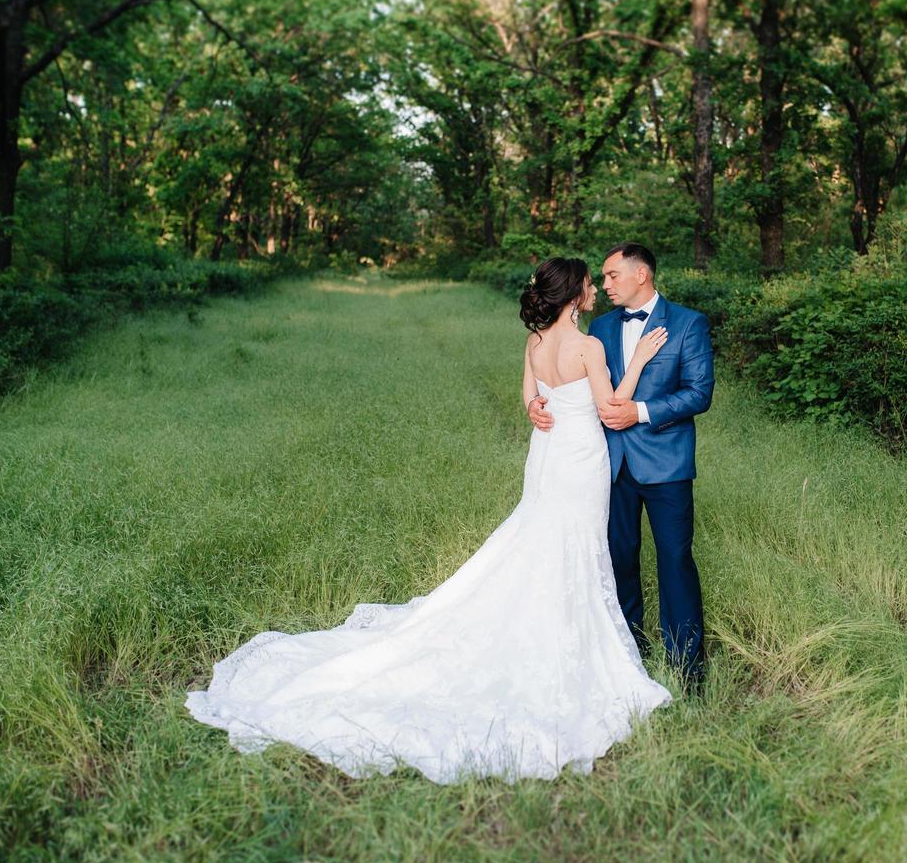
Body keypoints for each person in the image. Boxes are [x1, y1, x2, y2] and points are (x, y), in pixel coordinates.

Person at [185, 257, 673, 783]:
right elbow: (610, 409)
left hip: (548, 456)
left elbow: (529, 397)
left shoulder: (534, 343)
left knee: (540, 537)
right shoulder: (589, 347)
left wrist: (536, 406)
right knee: (570, 544)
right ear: (573, 294)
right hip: (578, 460)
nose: (595, 290)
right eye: (587, 283)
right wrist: (641, 360)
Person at [527, 243, 714, 692]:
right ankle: (629, 651)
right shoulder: (600, 327)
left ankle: (687, 667)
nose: (605, 284)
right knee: (617, 560)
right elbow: (576, 382)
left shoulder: (688, 323)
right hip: (606, 465)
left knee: (674, 560)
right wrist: (537, 402)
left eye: (612, 276)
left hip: (666, 464)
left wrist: (642, 412)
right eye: (602, 279)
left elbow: (699, 392)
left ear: (642, 274)